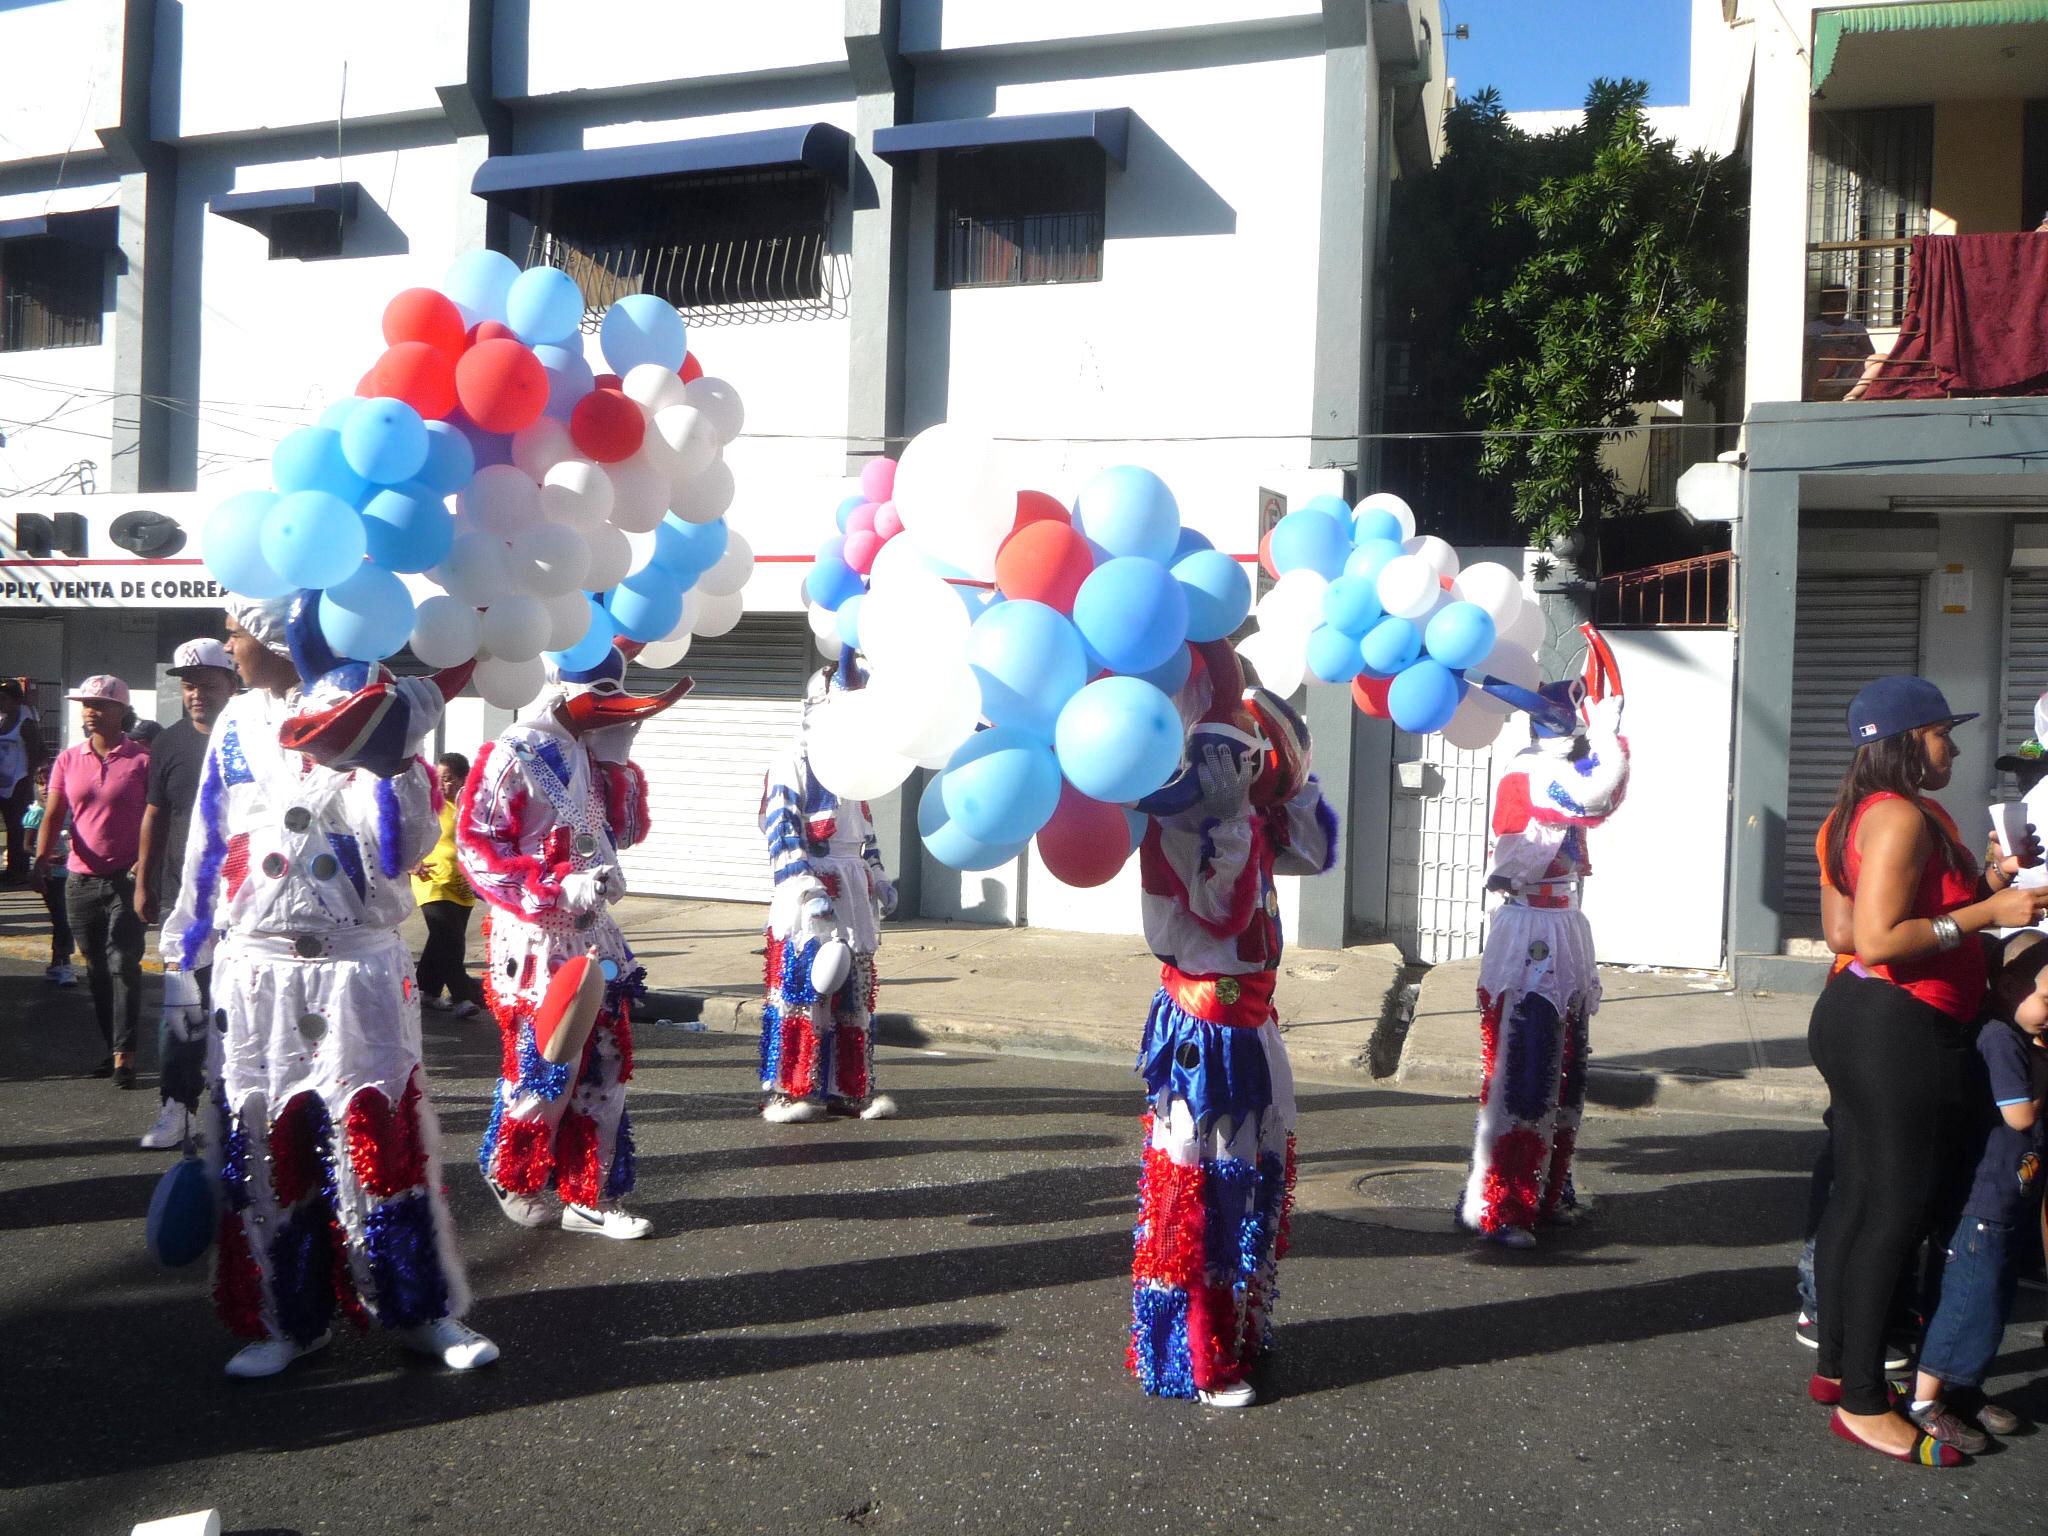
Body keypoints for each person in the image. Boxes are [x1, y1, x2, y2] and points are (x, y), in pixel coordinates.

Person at [162, 592, 495, 1378]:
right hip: (257, 972)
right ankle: (284, 1317)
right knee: (264, 1144)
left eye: (237, 633)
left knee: (381, 1143)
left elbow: (403, 848)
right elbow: (208, 840)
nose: (230, 647)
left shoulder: (371, 702)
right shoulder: (237, 723)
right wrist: (184, 948)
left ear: (284, 636)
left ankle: (418, 1312)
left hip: (356, 968)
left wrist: (398, 761)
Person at [1806, 675, 2048, 1466]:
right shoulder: (1902, 815)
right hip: (1892, 1028)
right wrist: (1987, 915)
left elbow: (1871, 920)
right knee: (1894, 1212)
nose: (1954, 745)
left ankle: (1838, 1367)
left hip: (1871, 1020)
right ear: (1908, 739)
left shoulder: (1880, 814)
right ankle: (1866, 1405)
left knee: (1860, 1199)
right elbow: (1874, 938)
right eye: (1944, 732)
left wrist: (1985, 885)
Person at [1127, 643, 1338, 1409]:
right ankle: (1199, 1356)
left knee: (1255, 1182)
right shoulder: (1180, 832)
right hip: (1205, 1033)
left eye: (1243, 764)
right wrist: (1232, 821)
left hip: (1253, 1023)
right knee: (1205, 1194)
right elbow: (1222, 910)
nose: (1237, 776)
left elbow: (1315, 852)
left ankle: (1239, 1332)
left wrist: (1295, 776)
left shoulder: (1241, 818)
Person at [457, 643, 688, 1240]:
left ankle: (589, 1194)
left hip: (595, 941)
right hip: (534, 941)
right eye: (606, 703)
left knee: (604, 1065)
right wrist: (560, 887)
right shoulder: (511, 754)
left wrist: (616, 763)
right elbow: (477, 852)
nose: (615, 715)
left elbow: (627, 833)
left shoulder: (588, 751)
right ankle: (517, 1174)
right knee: (544, 1064)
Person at [1457, 628, 1630, 1248]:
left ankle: (1549, 1191)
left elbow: (1602, 794)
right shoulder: (1531, 773)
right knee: (1523, 1071)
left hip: (1564, 923)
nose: (1577, 728)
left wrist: (1608, 733)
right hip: (1529, 926)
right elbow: (1596, 798)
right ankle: (1502, 1205)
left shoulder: (1561, 766)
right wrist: (1611, 735)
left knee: (1565, 1069)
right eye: (1571, 718)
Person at [1901, 932, 2046, 1452]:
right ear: (2009, 986)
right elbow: (2020, 1114)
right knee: (1967, 1305)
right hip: (1982, 1205)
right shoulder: (2000, 1039)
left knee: (1992, 1304)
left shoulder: (2022, 1037)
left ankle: (1963, 1388)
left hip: (2009, 1202)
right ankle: (1923, 1401)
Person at [758, 655, 899, 1123]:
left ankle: (848, 1088)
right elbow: (781, 831)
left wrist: (877, 874)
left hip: (852, 892)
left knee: (854, 993)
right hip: (812, 889)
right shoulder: (791, 760)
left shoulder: (855, 765)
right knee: (804, 991)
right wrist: (804, 886)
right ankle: (790, 1088)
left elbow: (865, 828)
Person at [135, 638, 241, 1150]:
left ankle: (238, 1108)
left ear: (231, 683)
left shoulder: (251, 736)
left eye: (207, 683)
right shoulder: (169, 743)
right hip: (183, 903)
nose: (196, 693)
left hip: (244, 904)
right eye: (188, 684)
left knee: (240, 1009)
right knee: (182, 1007)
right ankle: (176, 1106)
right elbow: (155, 814)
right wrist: (142, 881)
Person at [33, 675, 149, 1086]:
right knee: (97, 970)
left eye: (99, 704)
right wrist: (41, 858)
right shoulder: (68, 759)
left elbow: (157, 818)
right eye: (85, 704)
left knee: (123, 964)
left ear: (122, 711)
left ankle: (125, 1056)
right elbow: (53, 813)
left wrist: (144, 867)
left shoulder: (141, 760)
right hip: (79, 880)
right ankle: (111, 1046)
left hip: (125, 879)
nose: (90, 711)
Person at [413, 753, 484, 1017]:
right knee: (449, 938)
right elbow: (407, 831)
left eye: (449, 779)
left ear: (463, 779)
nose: (443, 785)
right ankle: (461, 997)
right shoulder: (430, 804)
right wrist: (411, 862)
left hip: (462, 885)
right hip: (431, 880)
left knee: (442, 940)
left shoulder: (473, 807)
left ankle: (428, 991)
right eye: (439, 779)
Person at [21, 762, 74, 984]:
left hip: (70, 873)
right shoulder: (36, 812)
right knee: (62, 918)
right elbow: (27, 846)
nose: (44, 788)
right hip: (49, 875)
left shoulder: (68, 809)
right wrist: (48, 858)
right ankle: (66, 965)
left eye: (47, 783)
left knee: (64, 919)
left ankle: (56, 963)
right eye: (39, 783)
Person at [0, 678, 48, 884]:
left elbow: (38, 753)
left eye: (4, 699)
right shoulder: (1, 720)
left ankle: (17, 871)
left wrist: (32, 781)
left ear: (16, 700)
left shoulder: (26, 723)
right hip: (1, 780)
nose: (1, 703)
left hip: (18, 782)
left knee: (16, 827)